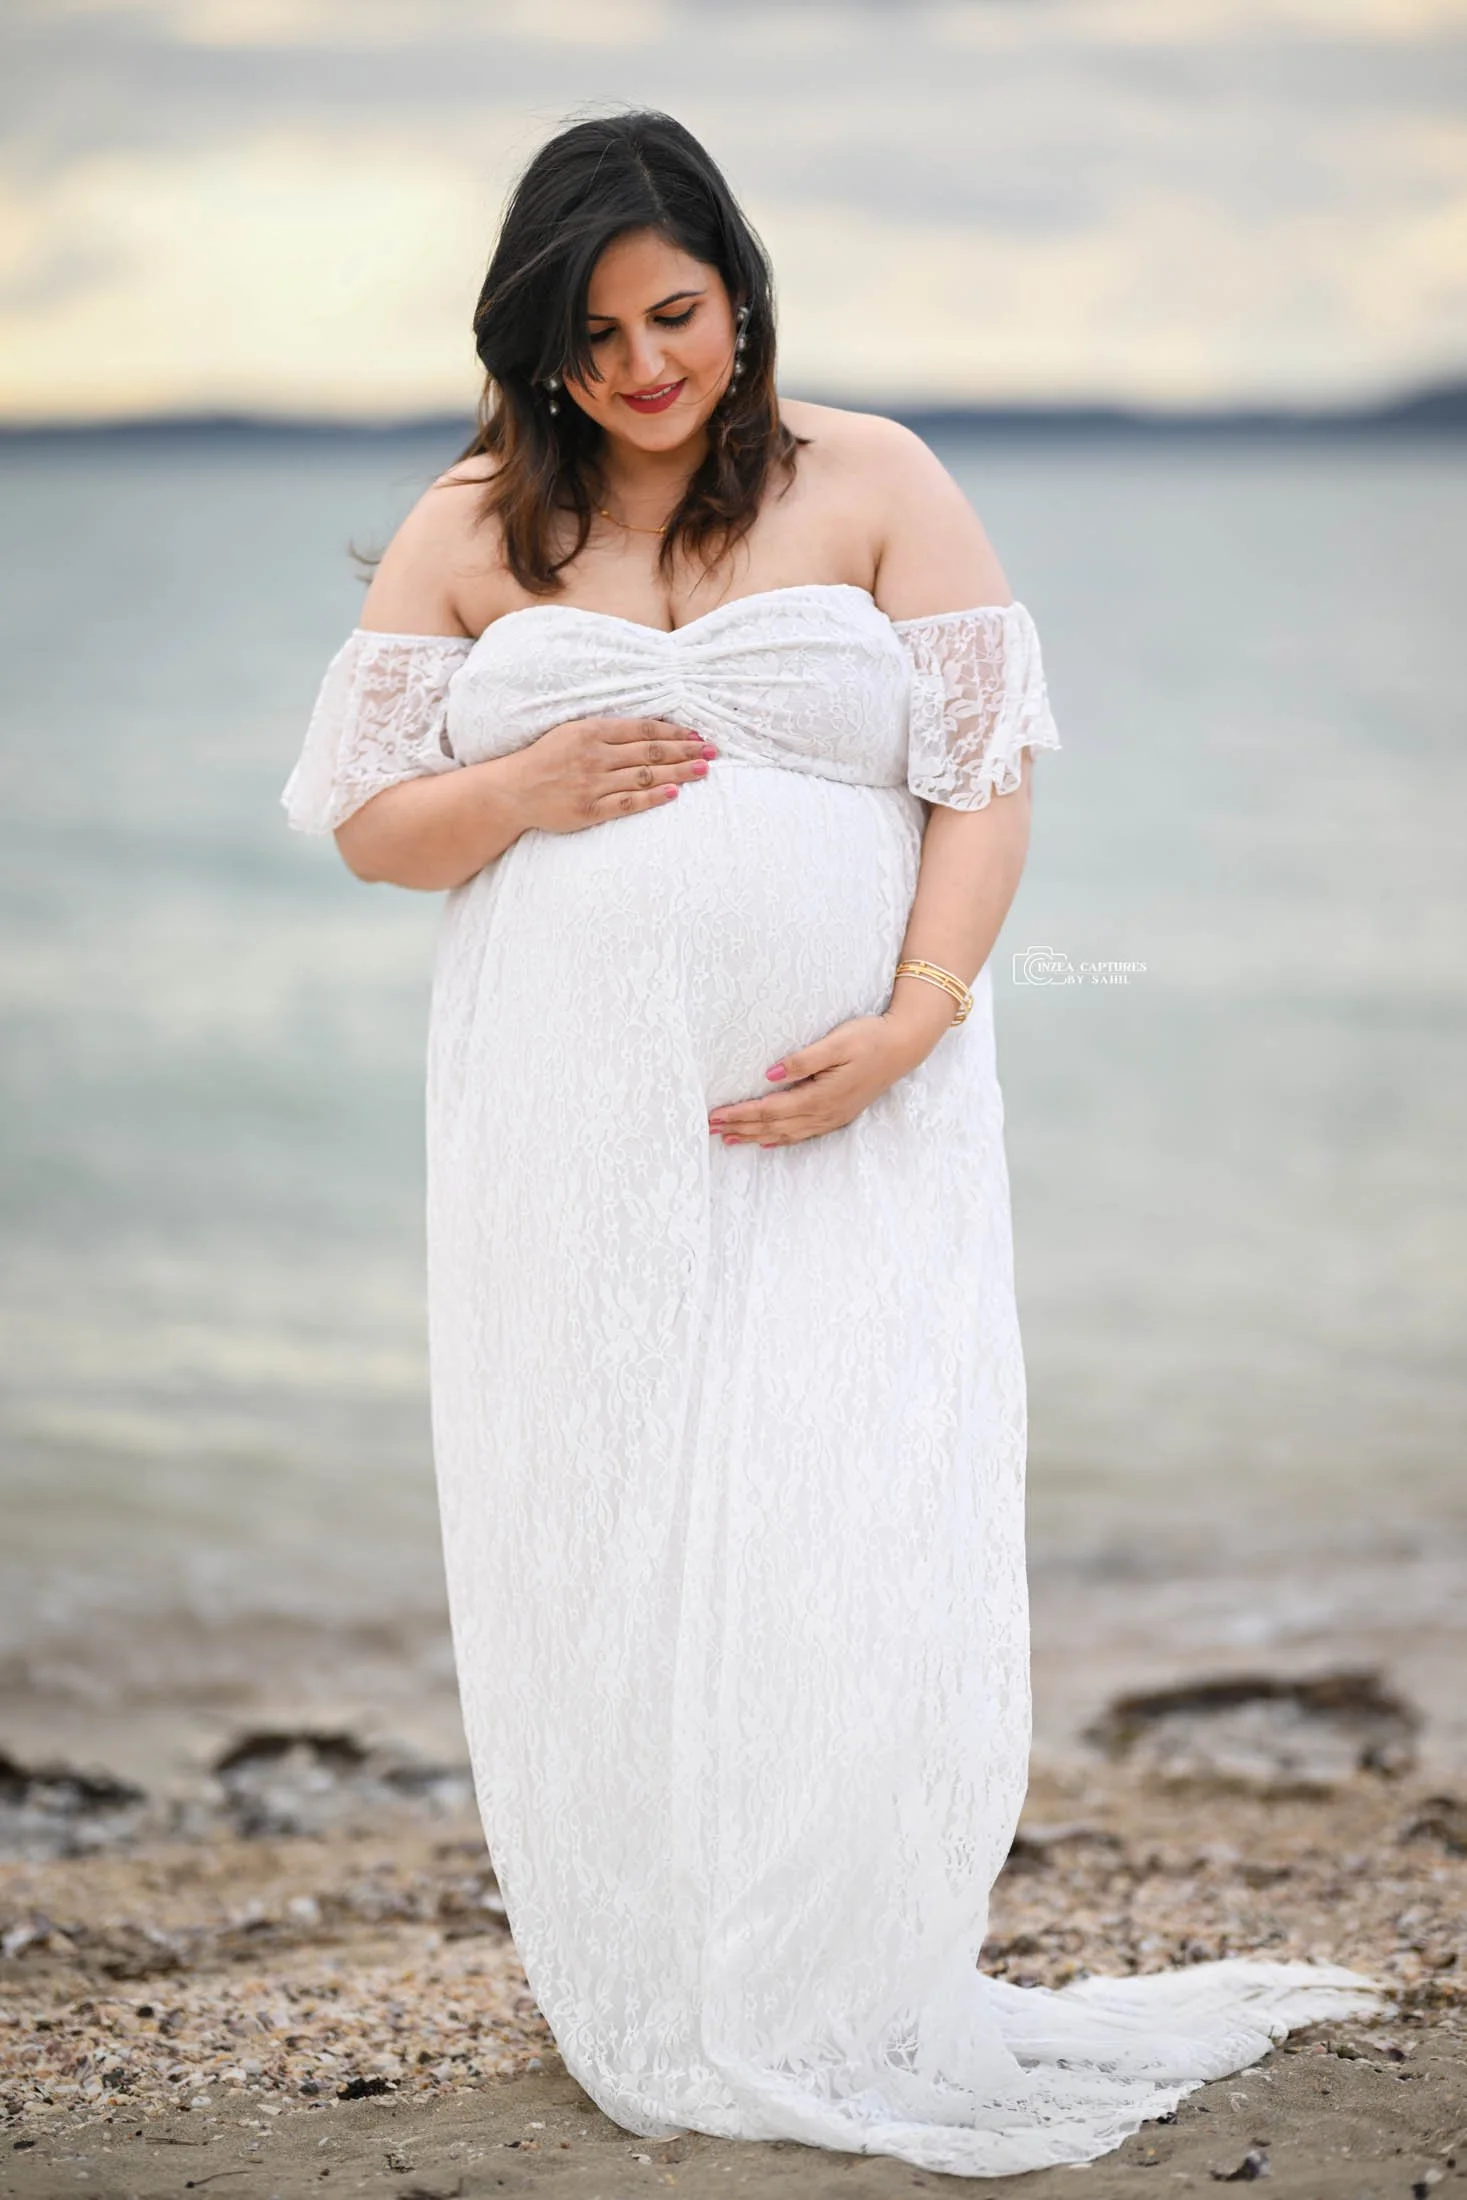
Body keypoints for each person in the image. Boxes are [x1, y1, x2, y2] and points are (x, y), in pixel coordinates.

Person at [282, 110, 1382, 2179]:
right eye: (592, 330)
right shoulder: (470, 523)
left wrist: (909, 1021)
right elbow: (364, 827)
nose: (641, 368)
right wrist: (518, 785)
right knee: (596, 1514)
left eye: (673, 313)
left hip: (851, 1100)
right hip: (566, 1125)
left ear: (739, 289)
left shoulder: (870, 479)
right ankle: (657, 1965)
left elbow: (985, 778)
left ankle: (834, 1968)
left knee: (839, 1499)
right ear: (534, 336)